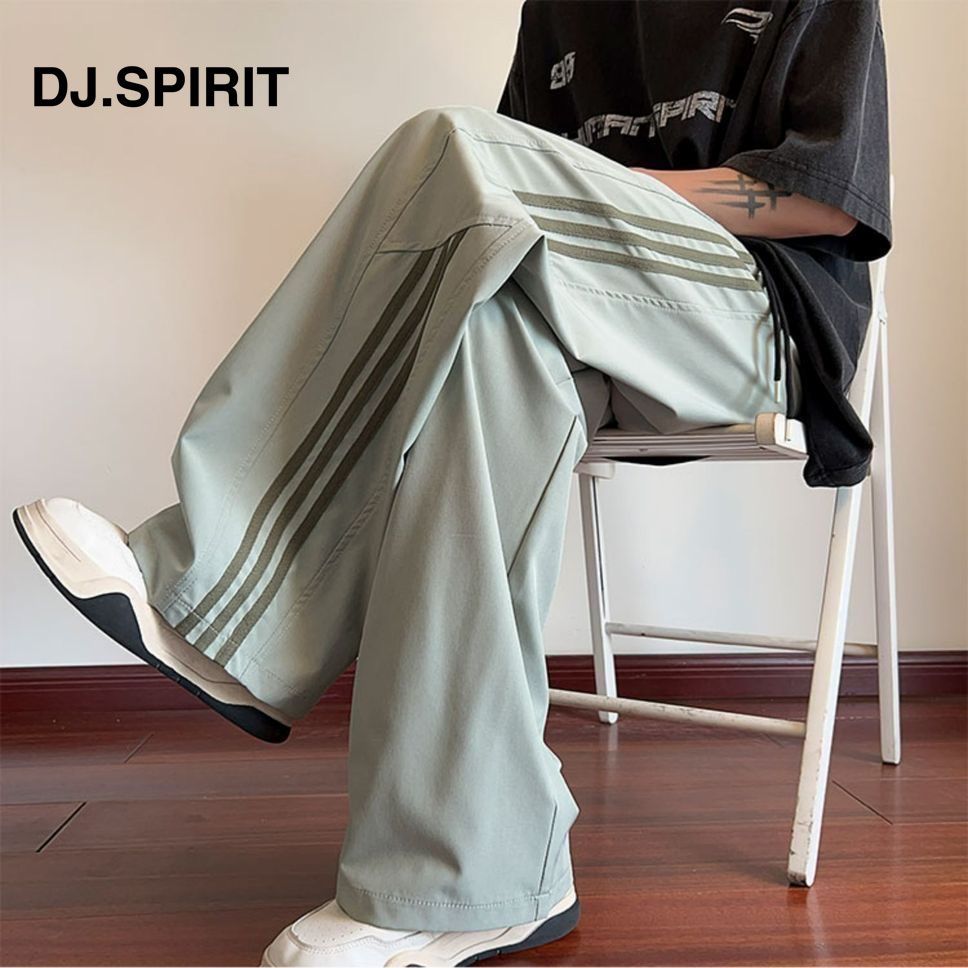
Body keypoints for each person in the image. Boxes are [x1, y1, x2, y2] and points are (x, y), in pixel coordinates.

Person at [11, 1, 891, 965]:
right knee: (486, 348)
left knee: (452, 150)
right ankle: (470, 878)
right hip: (586, 318)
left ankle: (224, 591)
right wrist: (570, 190)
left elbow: (828, 204)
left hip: (755, 324)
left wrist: (617, 188)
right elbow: (507, 224)